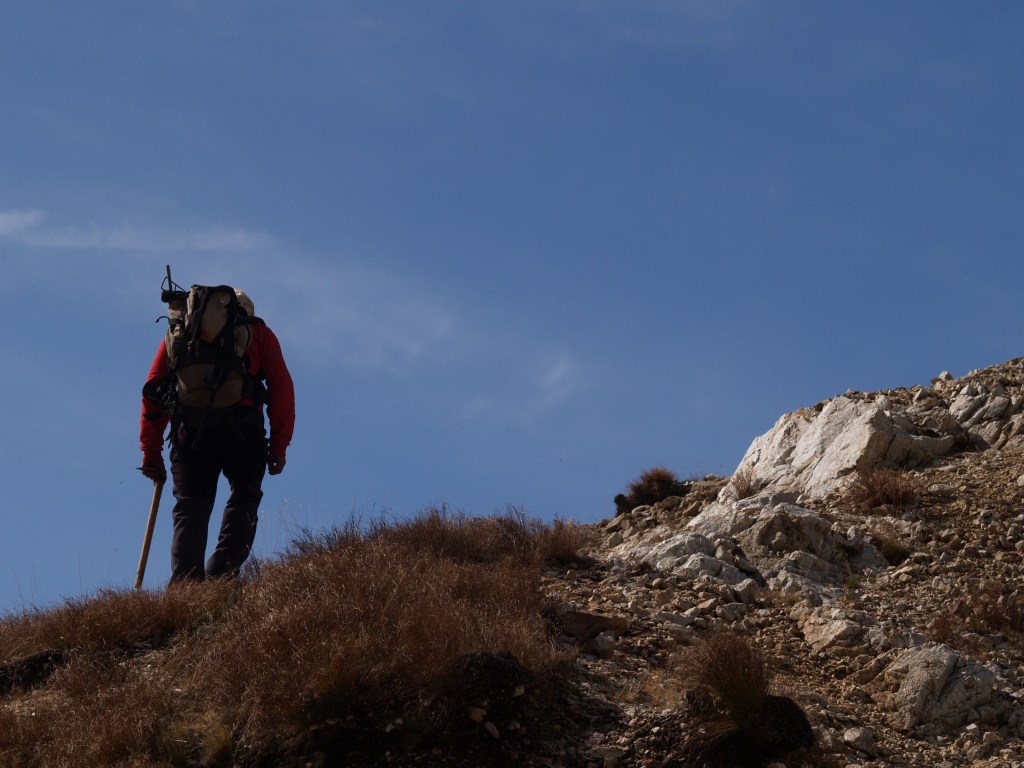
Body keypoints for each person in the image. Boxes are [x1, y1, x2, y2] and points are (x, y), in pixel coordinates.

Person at [139, 289, 295, 583]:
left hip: (191, 431)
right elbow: (282, 388)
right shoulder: (259, 332)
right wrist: (279, 445)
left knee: (190, 507)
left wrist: (151, 451)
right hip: (243, 431)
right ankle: (222, 574)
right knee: (244, 499)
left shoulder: (183, 331)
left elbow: (153, 391)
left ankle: (186, 587)